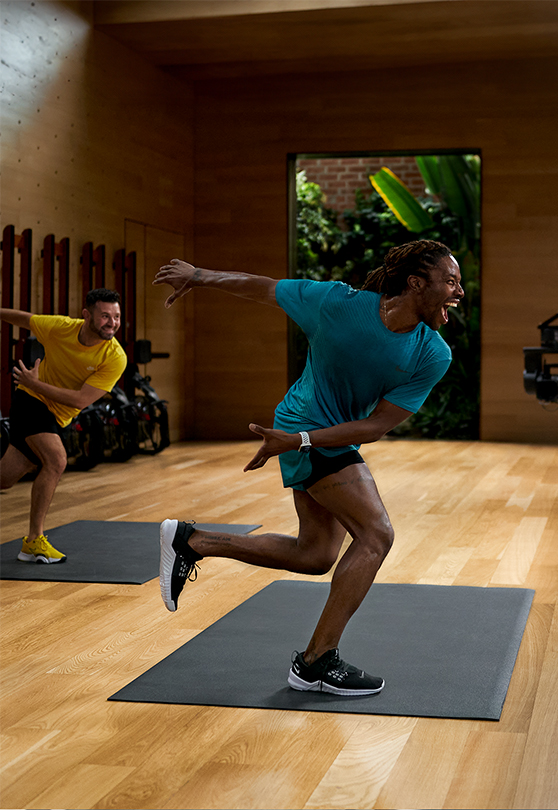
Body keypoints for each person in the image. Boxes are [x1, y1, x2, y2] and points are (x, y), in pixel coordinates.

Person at [153, 240, 464, 696]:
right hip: (303, 424)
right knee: (377, 535)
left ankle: (193, 540)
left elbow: (377, 424)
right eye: (451, 281)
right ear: (417, 284)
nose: (459, 292)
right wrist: (199, 276)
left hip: (316, 437)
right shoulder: (337, 304)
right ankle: (317, 660)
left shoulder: (432, 352)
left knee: (315, 555)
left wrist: (299, 442)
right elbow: (265, 289)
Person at [0, 289, 127, 563]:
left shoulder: (115, 357)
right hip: (30, 400)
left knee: (5, 478)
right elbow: (25, 319)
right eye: (105, 316)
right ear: (86, 315)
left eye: (116, 316)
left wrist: (36, 382)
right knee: (56, 461)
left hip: (58, 415)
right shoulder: (61, 328)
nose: (112, 322)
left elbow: (81, 400)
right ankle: (34, 541)